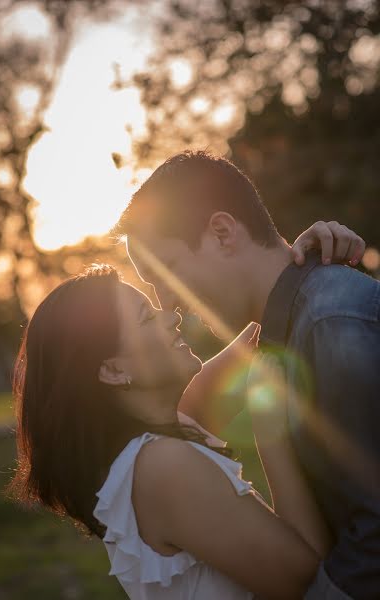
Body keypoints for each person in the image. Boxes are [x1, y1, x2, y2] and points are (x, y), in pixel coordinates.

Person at [113, 150, 380, 600]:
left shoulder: (330, 323)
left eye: (169, 273)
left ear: (221, 232)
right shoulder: (289, 331)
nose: (169, 305)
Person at [11, 254, 352, 600]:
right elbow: (303, 580)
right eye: (146, 317)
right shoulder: (162, 466)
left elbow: (261, 325)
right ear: (113, 371)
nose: (170, 316)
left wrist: (305, 260)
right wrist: (271, 430)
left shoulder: (160, 433)